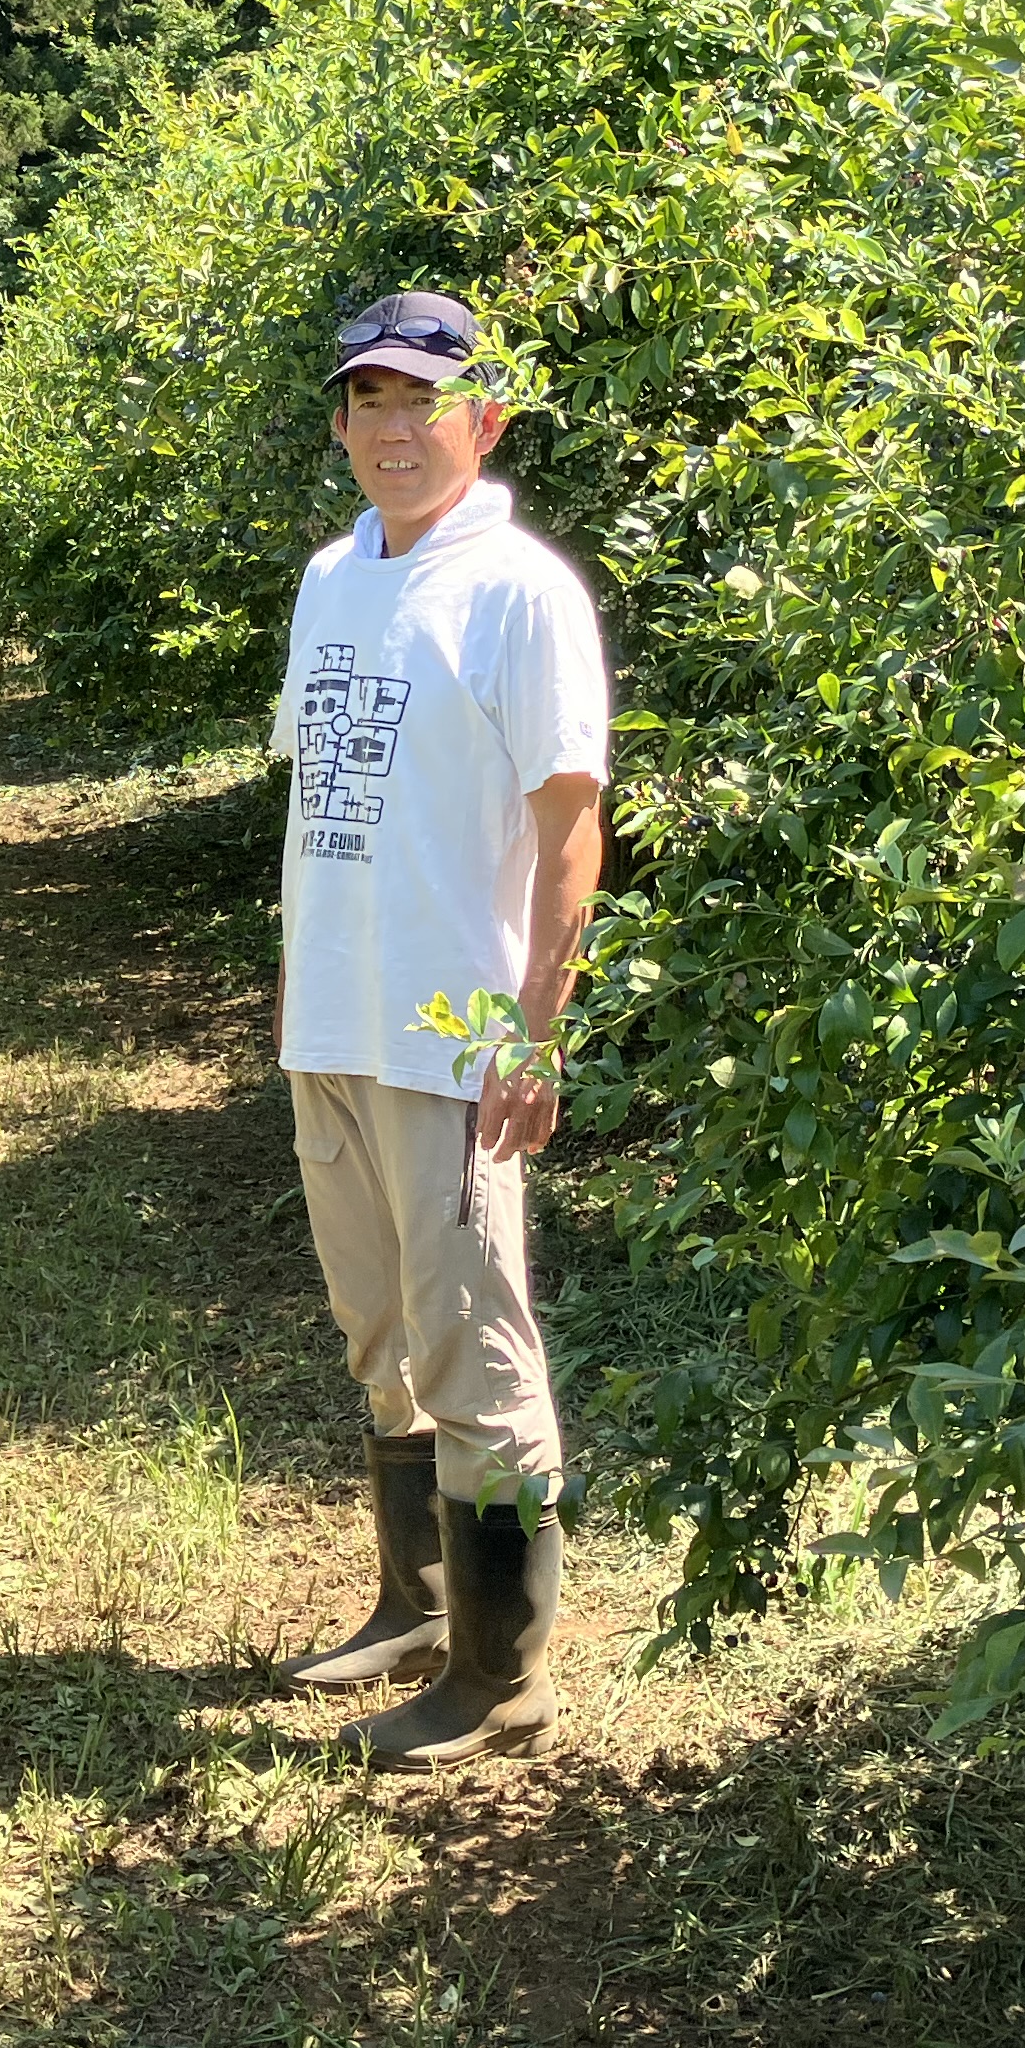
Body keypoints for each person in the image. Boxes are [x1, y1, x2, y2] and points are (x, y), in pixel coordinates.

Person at [269, 288, 608, 1769]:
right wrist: (295, 986)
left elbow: (572, 821)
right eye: (368, 402)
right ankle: (411, 1608)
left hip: (450, 1041)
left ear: (487, 414)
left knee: (478, 1353)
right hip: (333, 1027)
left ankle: (502, 1673)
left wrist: (535, 1034)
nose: (393, 430)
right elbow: (321, 800)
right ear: (340, 424)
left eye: (423, 400)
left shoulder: (521, 590)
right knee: (382, 1336)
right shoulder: (331, 582)